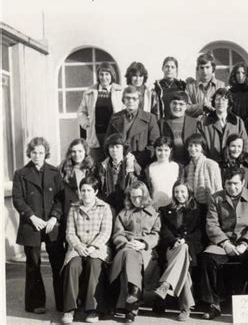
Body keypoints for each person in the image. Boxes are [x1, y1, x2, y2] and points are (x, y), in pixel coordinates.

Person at [200, 167, 248, 320]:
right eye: (229, 183)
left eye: (236, 183)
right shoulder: (215, 198)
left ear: (243, 183)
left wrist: (244, 243)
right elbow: (212, 225)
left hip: (247, 242)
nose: (232, 187)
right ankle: (213, 304)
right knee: (207, 258)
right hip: (223, 242)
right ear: (224, 183)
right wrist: (226, 244)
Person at [12, 137, 65, 314]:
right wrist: (31, 217)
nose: (37, 156)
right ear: (30, 153)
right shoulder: (20, 173)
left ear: (46, 153)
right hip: (31, 224)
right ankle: (36, 303)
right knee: (33, 264)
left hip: (51, 225)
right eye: (34, 152)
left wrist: (54, 218)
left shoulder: (55, 172)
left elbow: (60, 198)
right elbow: (17, 199)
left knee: (57, 263)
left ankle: (63, 303)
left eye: (41, 152)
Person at [61, 176, 113, 324]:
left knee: (94, 265)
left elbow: (105, 232)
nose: (85, 194)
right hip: (78, 247)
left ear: (95, 191)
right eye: (82, 190)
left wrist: (92, 247)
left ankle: (93, 309)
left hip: (97, 247)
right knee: (73, 265)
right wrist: (78, 246)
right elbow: (70, 232)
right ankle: (69, 309)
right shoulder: (74, 208)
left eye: (89, 190)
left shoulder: (104, 208)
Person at [109, 181, 161, 323]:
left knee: (130, 258)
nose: (136, 200)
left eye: (139, 197)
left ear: (145, 195)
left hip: (145, 251)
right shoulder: (124, 213)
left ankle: (130, 305)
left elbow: (156, 234)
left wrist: (143, 243)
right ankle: (134, 295)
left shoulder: (153, 213)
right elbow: (117, 234)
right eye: (132, 197)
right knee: (129, 254)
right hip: (126, 248)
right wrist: (126, 242)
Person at [156, 180, 206, 322]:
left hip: (190, 248)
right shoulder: (165, 210)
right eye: (176, 192)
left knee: (184, 250)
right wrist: (174, 241)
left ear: (189, 192)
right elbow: (164, 231)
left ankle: (165, 284)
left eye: (183, 191)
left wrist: (185, 240)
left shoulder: (199, 210)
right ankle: (185, 308)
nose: (179, 195)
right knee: (183, 264)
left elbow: (200, 232)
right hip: (171, 248)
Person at [78, 62, 123, 162]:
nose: (104, 77)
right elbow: (81, 112)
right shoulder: (90, 92)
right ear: (98, 76)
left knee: (114, 162)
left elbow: (124, 111)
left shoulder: (120, 91)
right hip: (96, 135)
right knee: (96, 164)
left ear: (112, 75)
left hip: (113, 134)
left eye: (107, 74)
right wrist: (86, 124)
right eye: (101, 74)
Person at [106, 85, 160, 168]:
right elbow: (107, 142)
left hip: (141, 164)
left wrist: (136, 160)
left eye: (134, 98)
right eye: (127, 98)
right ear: (123, 100)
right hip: (119, 164)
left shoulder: (150, 118)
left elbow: (154, 145)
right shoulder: (115, 118)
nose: (131, 101)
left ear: (139, 100)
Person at [59, 138, 96, 246]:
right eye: (74, 151)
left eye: (80, 151)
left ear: (85, 152)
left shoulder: (93, 168)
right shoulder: (64, 169)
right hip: (72, 209)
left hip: (90, 209)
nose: (77, 154)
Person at [197, 88, 248, 162]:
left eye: (224, 100)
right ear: (213, 102)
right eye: (217, 99)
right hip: (211, 164)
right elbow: (200, 146)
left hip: (233, 165)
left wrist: (241, 163)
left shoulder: (238, 122)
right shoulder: (204, 122)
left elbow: (245, 145)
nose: (220, 102)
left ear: (229, 103)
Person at [96, 134, 141, 214]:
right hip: (108, 206)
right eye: (111, 147)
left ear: (123, 148)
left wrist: (130, 168)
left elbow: (137, 184)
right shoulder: (103, 166)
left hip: (128, 206)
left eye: (117, 147)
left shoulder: (131, 163)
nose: (114, 150)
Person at [157, 90, 199, 166]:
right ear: (170, 104)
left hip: (190, 164)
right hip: (169, 163)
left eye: (181, 104)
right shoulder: (161, 123)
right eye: (174, 103)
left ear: (186, 106)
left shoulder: (194, 122)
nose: (177, 107)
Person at [184, 133, 222, 205]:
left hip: (210, 205)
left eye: (196, 146)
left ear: (202, 148)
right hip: (194, 206)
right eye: (190, 146)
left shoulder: (211, 164)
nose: (193, 148)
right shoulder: (187, 168)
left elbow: (218, 189)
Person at [146, 136, 181, 210]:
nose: (162, 153)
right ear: (155, 150)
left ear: (170, 150)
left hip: (173, 208)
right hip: (155, 208)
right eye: (159, 150)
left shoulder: (177, 167)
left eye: (166, 150)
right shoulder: (150, 168)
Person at [185, 53, 226, 118]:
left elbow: (224, 108)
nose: (204, 71)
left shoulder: (221, 85)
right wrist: (201, 106)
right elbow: (185, 108)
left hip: (214, 124)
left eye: (207, 67)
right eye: (202, 68)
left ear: (213, 68)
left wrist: (211, 108)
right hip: (196, 125)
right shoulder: (190, 87)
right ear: (197, 69)